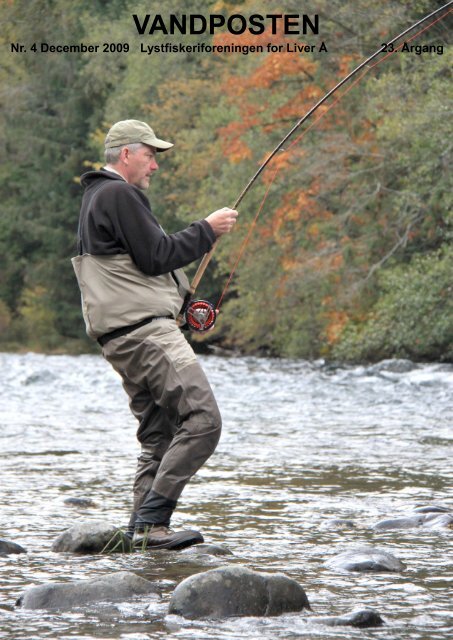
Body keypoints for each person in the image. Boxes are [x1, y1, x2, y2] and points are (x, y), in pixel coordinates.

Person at [72, 119, 238, 550]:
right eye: (150, 155)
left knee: (160, 436)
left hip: (122, 339)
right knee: (203, 421)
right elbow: (156, 256)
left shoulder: (96, 198)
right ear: (126, 154)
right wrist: (208, 228)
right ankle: (152, 523)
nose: (155, 166)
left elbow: (135, 268)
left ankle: (137, 535)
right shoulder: (118, 193)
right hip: (147, 337)